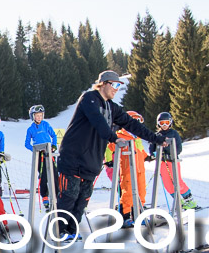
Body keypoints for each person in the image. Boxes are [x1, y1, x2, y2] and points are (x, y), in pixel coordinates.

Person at [56, 70, 167, 240]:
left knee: (82, 199)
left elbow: (132, 124)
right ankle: (61, 231)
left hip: (91, 161)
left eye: (119, 86)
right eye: (114, 85)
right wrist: (114, 138)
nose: (116, 89)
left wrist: (156, 139)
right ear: (104, 84)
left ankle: (72, 231)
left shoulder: (112, 107)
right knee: (69, 196)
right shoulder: (89, 98)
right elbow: (97, 120)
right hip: (73, 157)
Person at [107, 111, 149, 227]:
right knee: (128, 193)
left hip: (140, 170)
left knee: (141, 192)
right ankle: (125, 216)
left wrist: (148, 157)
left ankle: (139, 215)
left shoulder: (137, 138)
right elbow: (109, 148)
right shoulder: (120, 136)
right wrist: (109, 160)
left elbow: (141, 151)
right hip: (127, 170)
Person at [149, 112, 197, 210]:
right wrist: (154, 154)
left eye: (166, 122)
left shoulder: (174, 133)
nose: (164, 125)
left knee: (177, 181)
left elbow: (179, 148)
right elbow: (152, 148)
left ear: (170, 122)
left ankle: (190, 200)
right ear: (158, 124)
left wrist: (171, 153)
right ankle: (179, 202)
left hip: (173, 161)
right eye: (162, 123)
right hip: (162, 163)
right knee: (167, 184)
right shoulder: (157, 135)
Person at [24, 104, 58, 210]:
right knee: (43, 177)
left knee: (54, 174)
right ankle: (45, 196)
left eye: (40, 115)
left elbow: (54, 136)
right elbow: (27, 144)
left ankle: (57, 195)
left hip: (49, 153)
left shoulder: (46, 125)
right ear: (32, 116)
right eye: (37, 115)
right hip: (40, 155)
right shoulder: (30, 129)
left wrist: (53, 146)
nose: (39, 117)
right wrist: (35, 150)